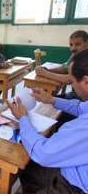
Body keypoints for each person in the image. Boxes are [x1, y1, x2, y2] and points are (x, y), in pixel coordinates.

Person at [6, 49, 88, 194]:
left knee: (28, 163)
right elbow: (81, 108)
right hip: (76, 169)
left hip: (75, 186)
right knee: (30, 167)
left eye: (72, 81)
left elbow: (44, 153)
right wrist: (51, 100)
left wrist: (23, 119)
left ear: (86, 81)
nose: (72, 85)